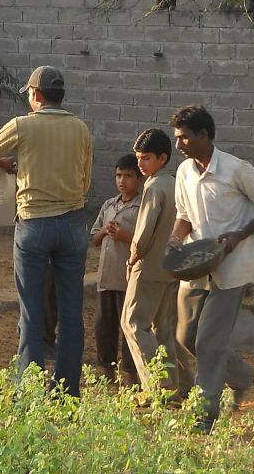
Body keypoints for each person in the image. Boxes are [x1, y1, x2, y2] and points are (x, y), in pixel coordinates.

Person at [0, 65, 92, 397]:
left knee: (31, 310)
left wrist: (8, 164)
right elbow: (86, 180)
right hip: (73, 224)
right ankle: (66, 392)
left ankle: (29, 391)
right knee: (70, 312)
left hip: (34, 225)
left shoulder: (23, 126)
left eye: (28, 94)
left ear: (36, 95)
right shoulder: (80, 128)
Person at [168, 103, 254, 431]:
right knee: (186, 336)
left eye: (185, 138)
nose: (179, 145)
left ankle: (203, 416)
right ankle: (242, 375)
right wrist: (176, 239)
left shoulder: (236, 170)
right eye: (177, 138)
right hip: (195, 264)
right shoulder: (185, 173)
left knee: (209, 342)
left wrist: (239, 235)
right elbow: (184, 216)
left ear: (204, 135)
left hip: (232, 269)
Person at [121, 127, 178, 393]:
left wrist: (132, 260)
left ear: (162, 159)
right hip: (171, 267)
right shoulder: (176, 183)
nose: (141, 164)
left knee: (133, 324)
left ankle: (158, 389)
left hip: (149, 266)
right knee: (164, 330)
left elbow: (143, 235)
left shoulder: (154, 187)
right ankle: (177, 387)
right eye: (139, 158)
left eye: (146, 158)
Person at [89, 153, 142, 383]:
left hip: (128, 278)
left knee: (128, 327)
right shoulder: (109, 205)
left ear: (139, 179)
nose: (122, 181)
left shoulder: (142, 207)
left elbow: (146, 242)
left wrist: (123, 235)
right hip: (106, 276)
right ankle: (106, 370)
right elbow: (94, 239)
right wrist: (104, 231)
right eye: (119, 176)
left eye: (128, 176)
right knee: (104, 326)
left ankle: (130, 373)